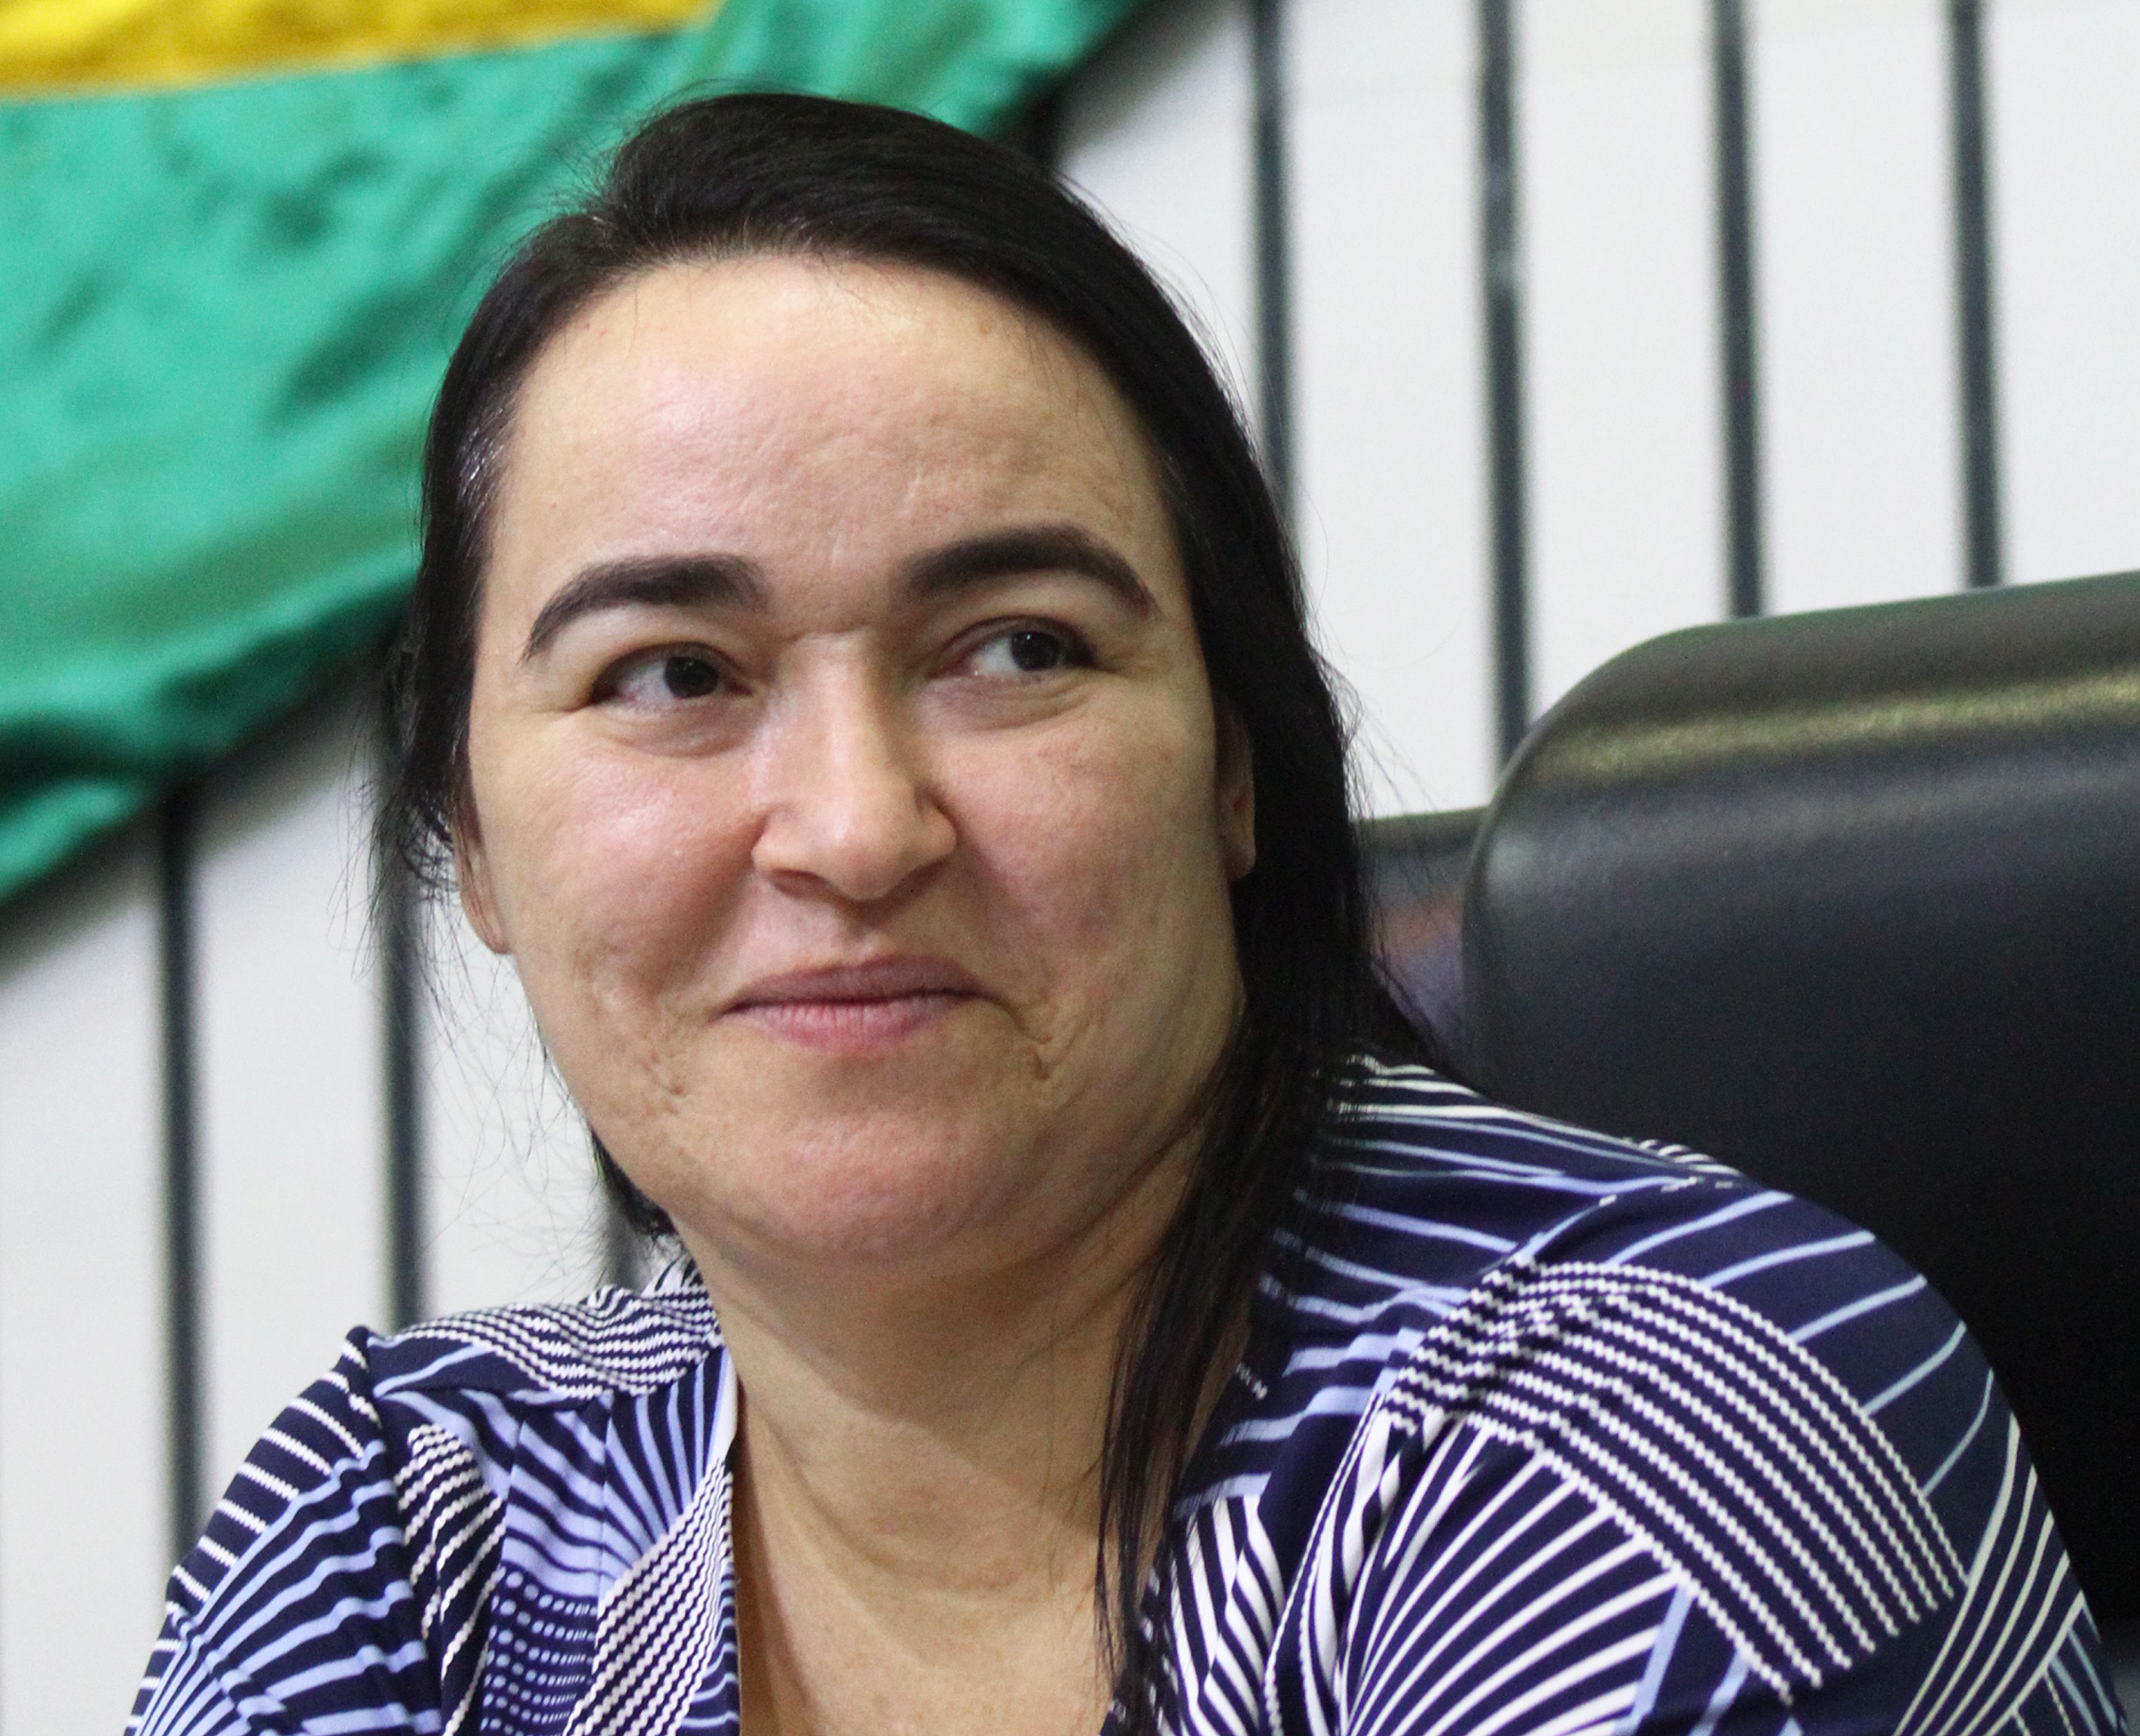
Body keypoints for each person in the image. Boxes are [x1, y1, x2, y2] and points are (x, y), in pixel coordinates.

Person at [128, 94, 2123, 1736]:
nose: (855, 829)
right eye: (672, 675)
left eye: (1016, 648)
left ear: (1236, 766)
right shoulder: (415, 1541)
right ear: (471, 838)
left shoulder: (1636, 1456)